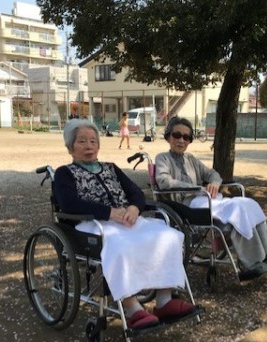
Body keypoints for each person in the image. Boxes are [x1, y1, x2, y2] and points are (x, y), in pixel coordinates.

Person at [54, 119, 200, 329]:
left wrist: (134, 208)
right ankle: (132, 308)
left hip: (126, 219)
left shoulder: (111, 168)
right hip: (92, 223)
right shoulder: (64, 173)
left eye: (93, 141)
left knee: (170, 236)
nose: (89, 146)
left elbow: (136, 192)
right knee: (122, 245)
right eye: (82, 141)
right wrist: (108, 212)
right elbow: (68, 203)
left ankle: (164, 300)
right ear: (70, 147)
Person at [154, 116, 267, 279]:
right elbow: (164, 181)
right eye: (177, 135)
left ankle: (266, 256)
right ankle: (252, 262)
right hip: (186, 205)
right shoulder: (163, 158)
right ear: (168, 137)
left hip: (204, 200)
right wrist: (197, 188)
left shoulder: (191, 159)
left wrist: (215, 183)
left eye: (186, 137)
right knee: (237, 211)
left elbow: (213, 174)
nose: (181, 140)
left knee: (248, 204)